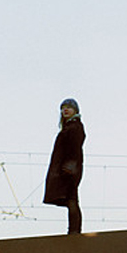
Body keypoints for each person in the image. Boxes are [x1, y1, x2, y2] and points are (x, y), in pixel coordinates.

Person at [43, 98, 85, 234]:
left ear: (75, 110)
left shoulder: (75, 127)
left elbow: (75, 149)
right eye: (63, 108)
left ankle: (74, 231)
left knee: (71, 199)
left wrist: (70, 166)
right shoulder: (70, 126)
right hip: (68, 169)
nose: (65, 110)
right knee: (70, 199)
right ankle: (73, 230)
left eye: (68, 107)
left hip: (69, 170)